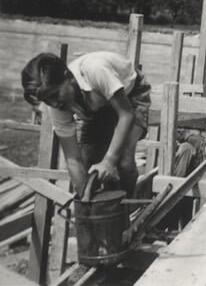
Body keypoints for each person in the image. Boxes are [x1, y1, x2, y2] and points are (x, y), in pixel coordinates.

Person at [21, 51, 151, 198]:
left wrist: (108, 161)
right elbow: (73, 160)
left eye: (54, 95)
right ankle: (103, 207)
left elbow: (126, 115)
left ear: (68, 77)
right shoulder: (57, 106)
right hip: (96, 104)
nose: (54, 104)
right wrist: (84, 196)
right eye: (47, 101)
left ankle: (125, 207)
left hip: (130, 95)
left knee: (124, 161)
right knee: (88, 163)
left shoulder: (96, 70)